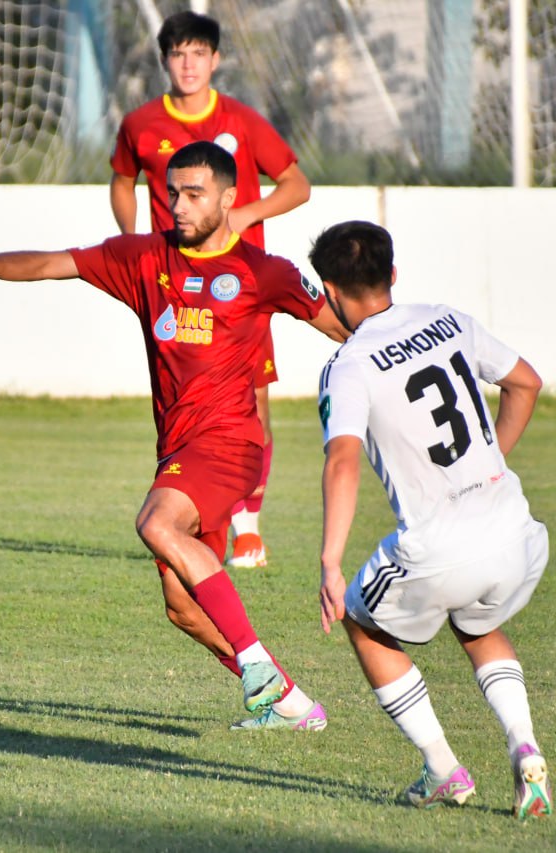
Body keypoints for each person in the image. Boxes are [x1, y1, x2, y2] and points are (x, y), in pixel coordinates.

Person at [0, 141, 345, 729]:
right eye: (171, 192)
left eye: (194, 194)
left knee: (156, 525)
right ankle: (291, 703)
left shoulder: (263, 272)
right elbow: (55, 263)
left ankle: (256, 664)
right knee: (182, 607)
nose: (177, 205)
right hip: (179, 450)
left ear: (230, 199)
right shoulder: (145, 258)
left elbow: (341, 330)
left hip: (231, 445)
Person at [309, 220, 553, 818]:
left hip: (438, 548)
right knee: (475, 624)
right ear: (392, 275)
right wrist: (489, 462)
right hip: (513, 532)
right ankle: (525, 748)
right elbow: (526, 383)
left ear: (330, 291)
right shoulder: (450, 320)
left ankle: (443, 768)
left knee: (364, 622)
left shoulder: (349, 364)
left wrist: (330, 561)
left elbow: (342, 460)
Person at [110, 10, 311, 570]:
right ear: (165, 61)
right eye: (178, 54)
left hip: (237, 287)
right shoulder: (141, 123)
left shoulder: (241, 121)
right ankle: (198, 522)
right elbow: (121, 181)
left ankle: (247, 526)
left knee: (254, 403)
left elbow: (297, 184)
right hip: (172, 286)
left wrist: (244, 214)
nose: (188, 63)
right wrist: (131, 241)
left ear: (215, 59)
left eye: (199, 53)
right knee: (181, 404)